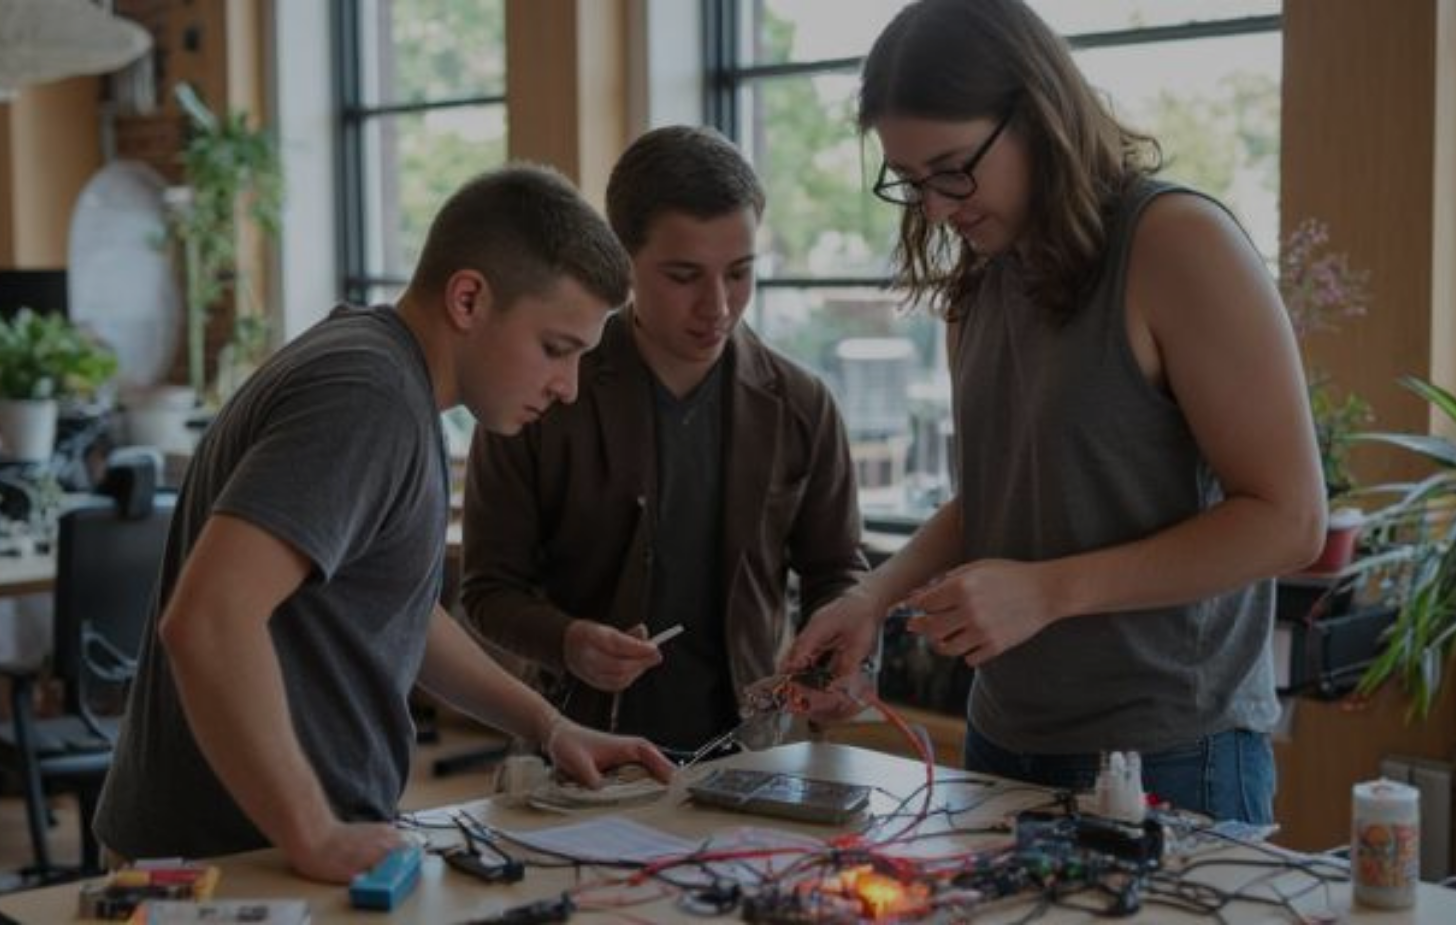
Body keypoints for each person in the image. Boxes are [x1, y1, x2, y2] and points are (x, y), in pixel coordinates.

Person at [786, 0, 1325, 824]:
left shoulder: (1176, 242)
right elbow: (1005, 496)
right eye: (912, 180)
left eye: (953, 167)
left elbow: (1289, 520)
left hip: (1173, 754)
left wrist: (1048, 593)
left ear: (1037, 112)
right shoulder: (979, 279)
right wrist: (874, 596)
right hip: (1003, 739)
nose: (934, 207)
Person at [94, 164, 675, 883]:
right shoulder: (367, 398)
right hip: (232, 859)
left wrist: (547, 726)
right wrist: (312, 832)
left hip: (263, 848)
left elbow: (396, 609)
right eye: (557, 348)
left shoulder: (384, 375)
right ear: (468, 298)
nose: (567, 386)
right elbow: (208, 618)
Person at [459, 126, 867, 758]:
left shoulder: (801, 403)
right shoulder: (542, 393)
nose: (717, 306)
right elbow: (488, 590)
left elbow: (837, 571)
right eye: (683, 276)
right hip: (579, 749)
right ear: (623, 261)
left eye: (739, 273)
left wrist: (846, 667)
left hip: (753, 752)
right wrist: (567, 641)